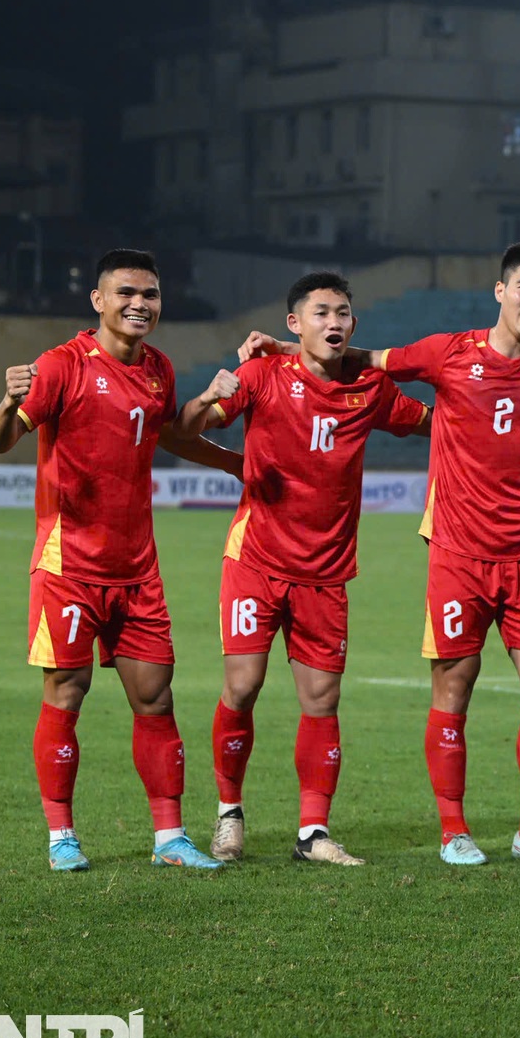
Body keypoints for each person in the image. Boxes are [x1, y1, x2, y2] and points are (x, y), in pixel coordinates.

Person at [239, 242, 520, 866]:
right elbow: (364, 359)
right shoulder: (448, 352)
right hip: (458, 552)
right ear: (500, 291)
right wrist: (287, 349)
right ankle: (454, 832)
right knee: (454, 687)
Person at [0, 248, 242, 871]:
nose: (139, 304)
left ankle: (170, 840)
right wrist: (4, 401)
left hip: (137, 570)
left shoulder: (158, 368)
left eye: (150, 294)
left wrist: (239, 464)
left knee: (156, 699)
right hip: (70, 567)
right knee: (66, 695)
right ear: (97, 300)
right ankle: (61, 838)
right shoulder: (60, 366)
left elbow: (172, 435)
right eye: (126, 293)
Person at [179, 271, 430, 867]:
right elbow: (187, 427)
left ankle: (313, 833)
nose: (334, 322)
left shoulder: (370, 389)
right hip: (256, 562)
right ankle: (229, 815)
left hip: (327, 572)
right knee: (242, 687)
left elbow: (434, 423)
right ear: (295, 322)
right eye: (320, 313)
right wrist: (207, 403)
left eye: (343, 312)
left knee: (321, 700)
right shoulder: (261, 376)